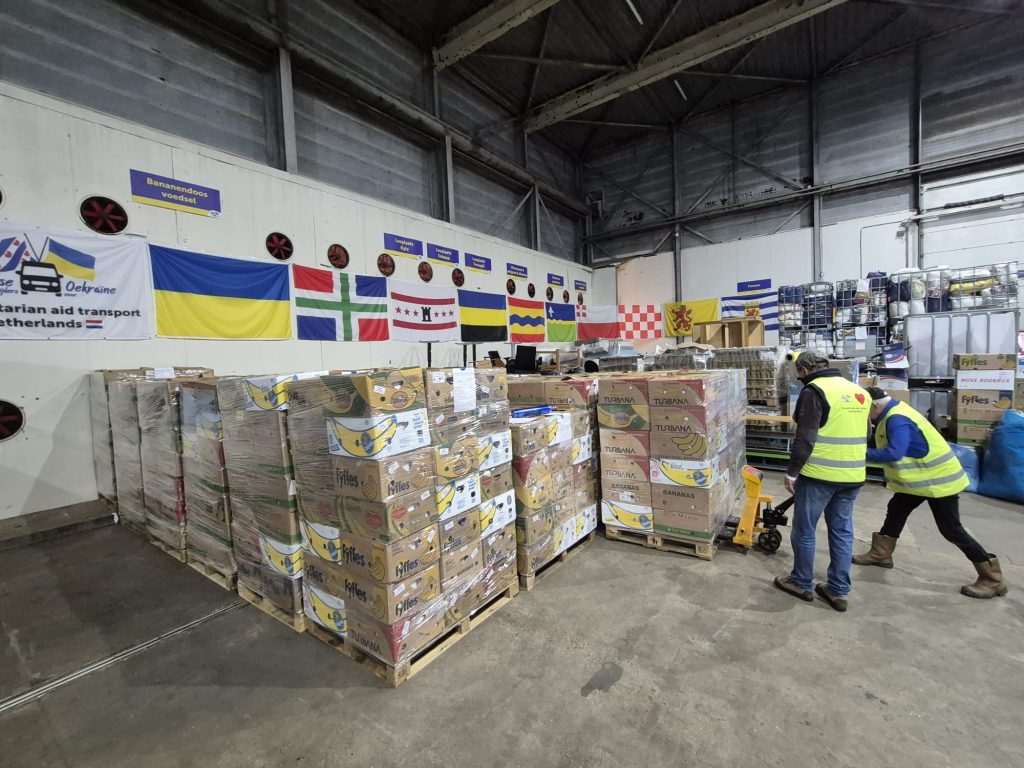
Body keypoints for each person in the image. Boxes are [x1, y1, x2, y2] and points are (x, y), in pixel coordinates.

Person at [853, 387, 1008, 599]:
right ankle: (881, 554)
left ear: (874, 406)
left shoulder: (897, 419)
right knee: (896, 509)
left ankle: (992, 578)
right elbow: (880, 442)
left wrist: (856, 453)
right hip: (919, 481)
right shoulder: (890, 413)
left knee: (951, 529)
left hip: (938, 481)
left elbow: (894, 452)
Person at [774, 351, 871, 612]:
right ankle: (838, 590)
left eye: (798, 372)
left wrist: (792, 472)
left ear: (805, 369)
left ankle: (801, 582)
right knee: (842, 531)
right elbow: (867, 434)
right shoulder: (858, 391)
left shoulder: (814, 391)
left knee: (804, 529)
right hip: (853, 475)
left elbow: (805, 437)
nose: (798, 377)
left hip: (820, 475)